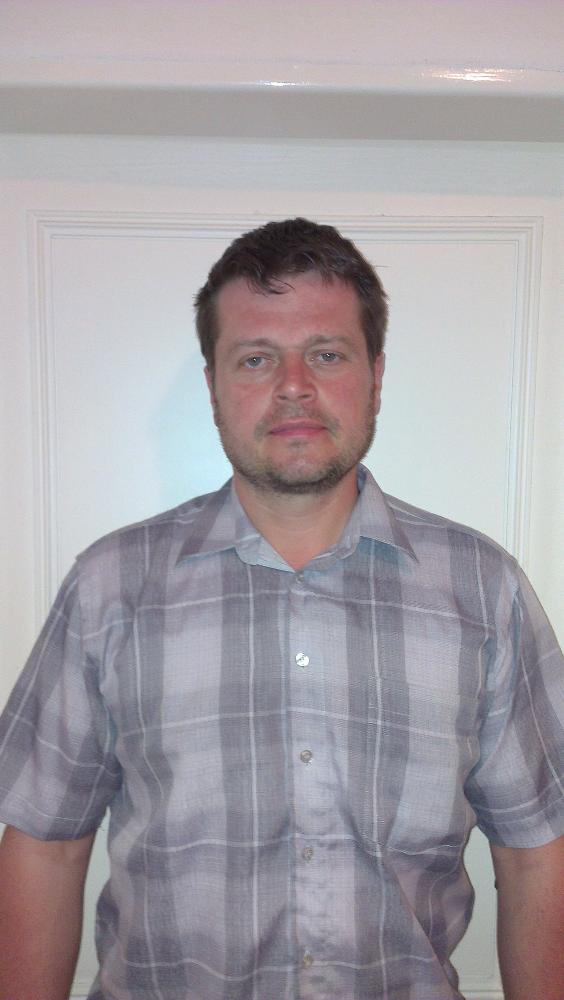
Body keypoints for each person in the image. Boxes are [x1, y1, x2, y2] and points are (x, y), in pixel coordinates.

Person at [0, 218, 562, 1000]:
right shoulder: (110, 588)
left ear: (375, 375)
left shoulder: (482, 591)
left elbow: (538, 854)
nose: (294, 385)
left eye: (327, 354)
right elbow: (46, 846)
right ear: (213, 386)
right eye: (257, 358)